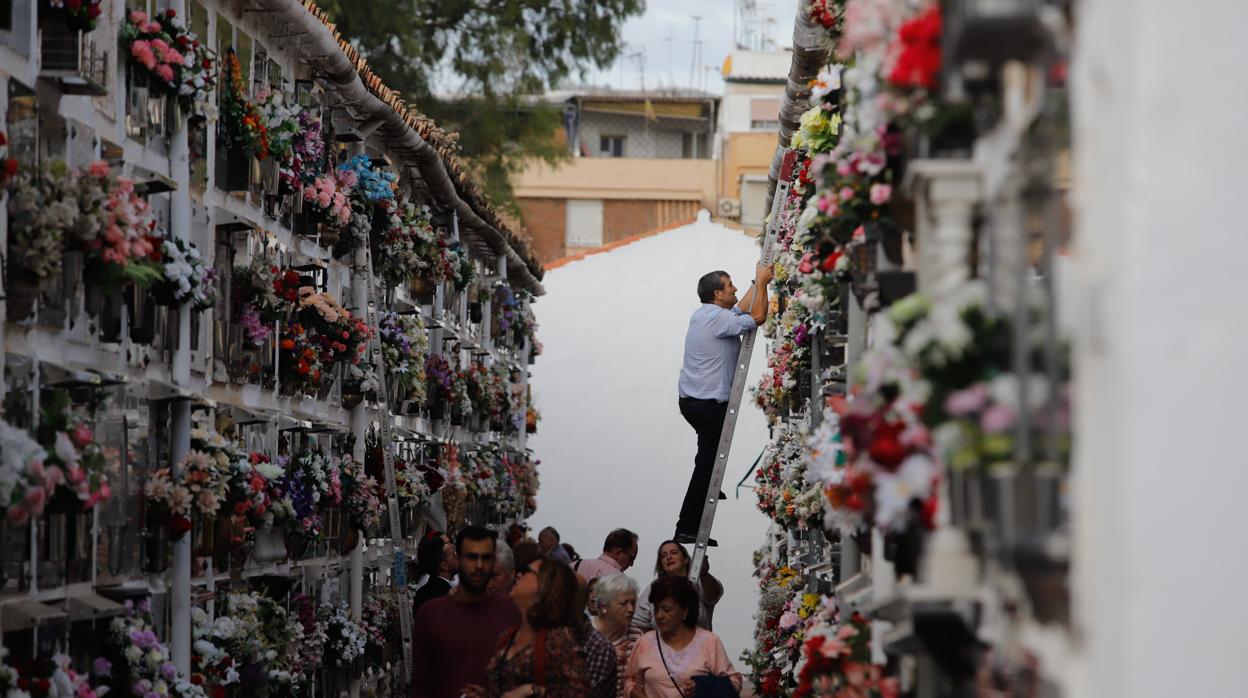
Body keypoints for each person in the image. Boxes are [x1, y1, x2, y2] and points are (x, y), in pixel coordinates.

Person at [675, 264, 773, 545]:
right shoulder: (716, 320)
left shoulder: (708, 314)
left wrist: (758, 280)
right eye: (730, 285)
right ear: (718, 294)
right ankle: (687, 527)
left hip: (693, 401)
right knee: (705, 464)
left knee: (706, 457)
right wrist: (764, 286)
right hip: (707, 404)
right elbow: (757, 316)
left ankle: (706, 489)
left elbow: (740, 308)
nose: (735, 289)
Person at [412, 526, 520, 698]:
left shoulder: (510, 612)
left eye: (485, 558)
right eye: (471, 557)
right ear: (459, 559)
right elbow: (421, 683)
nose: (479, 565)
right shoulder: (431, 614)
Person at [478, 556, 589, 697]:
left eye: (527, 571)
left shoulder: (559, 639)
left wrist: (531, 691)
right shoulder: (509, 635)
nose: (518, 574)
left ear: (546, 585)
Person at [623, 576, 742, 698]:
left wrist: (702, 687)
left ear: (685, 610)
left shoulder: (710, 642)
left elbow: (735, 682)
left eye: (666, 610)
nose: (659, 616)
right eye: (656, 609)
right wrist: (634, 693)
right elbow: (629, 680)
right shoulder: (645, 642)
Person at [631, 540, 723, 635]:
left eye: (674, 553)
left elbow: (714, 594)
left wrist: (704, 574)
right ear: (661, 565)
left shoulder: (699, 582)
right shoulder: (653, 589)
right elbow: (635, 623)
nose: (669, 557)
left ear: (686, 559)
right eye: (663, 556)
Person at [591, 574, 640, 698]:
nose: (631, 609)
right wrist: (609, 654)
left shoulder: (637, 636)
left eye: (633, 603)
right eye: (623, 603)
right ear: (603, 606)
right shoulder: (585, 632)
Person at [411, 533, 458, 610]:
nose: (457, 556)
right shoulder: (441, 596)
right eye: (453, 554)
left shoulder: (449, 588)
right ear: (444, 565)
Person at [575, 528, 639, 582]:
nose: (631, 564)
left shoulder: (575, 565)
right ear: (619, 552)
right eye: (631, 558)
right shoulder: (624, 584)